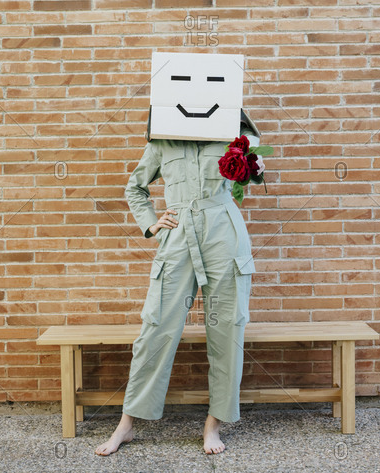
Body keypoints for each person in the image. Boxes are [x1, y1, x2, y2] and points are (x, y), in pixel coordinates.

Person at [95, 117, 260, 456]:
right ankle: (127, 424)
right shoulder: (162, 140)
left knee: (227, 327)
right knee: (156, 327)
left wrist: (243, 139)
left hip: (224, 233)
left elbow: (256, 172)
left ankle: (214, 423)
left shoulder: (234, 134)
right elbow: (135, 187)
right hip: (178, 233)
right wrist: (151, 223)